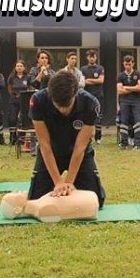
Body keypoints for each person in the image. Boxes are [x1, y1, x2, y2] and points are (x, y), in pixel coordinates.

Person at [28, 70, 105, 207]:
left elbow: (80, 147)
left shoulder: (90, 104)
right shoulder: (38, 100)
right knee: (35, 200)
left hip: (79, 153)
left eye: (67, 106)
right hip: (52, 151)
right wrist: (58, 182)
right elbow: (44, 144)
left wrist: (68, 183)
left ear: (75, 94)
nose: (62, 110)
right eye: (58, 105)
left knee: (96, 201)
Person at [1, 190, 99, 223]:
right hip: (91, 201)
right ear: (17, 210)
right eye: (15, 195)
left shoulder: (41, 202)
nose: (18, 191)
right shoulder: (43, 209)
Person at [116, 55, 140, 149]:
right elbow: (119, 91)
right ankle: (124, 143)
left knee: (138, 121)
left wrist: (126, 87)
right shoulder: (120, 75)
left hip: (136, 101)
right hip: (124, 101)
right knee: (124, 121)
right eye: (126, 64)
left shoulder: (138, 74)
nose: (127, 66)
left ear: (133, 64)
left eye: (129, 64)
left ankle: (137, 144)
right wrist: (134, 88)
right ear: (123, 64)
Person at [81, 49, 105, 144]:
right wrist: (95, 80)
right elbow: (83, 82)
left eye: (93, 56)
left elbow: (101, 80)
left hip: (98, 95)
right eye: (90, 57)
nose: (92, 58)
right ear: (87, 58)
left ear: (96, 57)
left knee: (98, 116)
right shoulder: (83, 69)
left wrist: (89, 80)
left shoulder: (100, 68)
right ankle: (87, 137)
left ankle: (98, 137)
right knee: (87, 116)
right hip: (87, 96)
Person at [7, 60, 31, 145]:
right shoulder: (12, 77)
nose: (19, 67)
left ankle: (21, 139)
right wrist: (14, 95)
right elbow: (9, 88)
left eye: (21, 66)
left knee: (23, 120)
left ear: (24, 68)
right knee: (12, 119)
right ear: (15, 68)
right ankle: (12, 139)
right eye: (18, 66)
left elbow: (29, 88)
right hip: (14, 101)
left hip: (24, 101)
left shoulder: (27, 77)